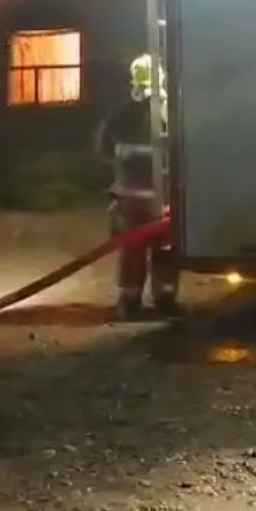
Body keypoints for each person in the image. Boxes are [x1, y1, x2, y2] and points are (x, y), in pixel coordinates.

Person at [96, 54, 164, 319]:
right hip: (164, 199)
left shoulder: (120, 116)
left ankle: (130, 300)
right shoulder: (170, 116)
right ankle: (165, 298)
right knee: (165, 249)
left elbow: (103, 150)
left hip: (130, 198)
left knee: (133, 249)